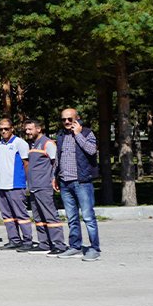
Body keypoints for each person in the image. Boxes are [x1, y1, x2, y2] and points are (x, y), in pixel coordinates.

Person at [55, 108, 101, 261]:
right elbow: (58, 157)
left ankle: (94, 248)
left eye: (70, 119)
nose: (67, 122)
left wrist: (78, 134)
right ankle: (75, 246)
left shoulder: (87, 133)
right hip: (64, 182)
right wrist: (54, 176)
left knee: (88, 217)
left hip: (82, 182)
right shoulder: (61, 135)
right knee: (72, 218)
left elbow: (92, 150)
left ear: (77, 118)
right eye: (64, 120)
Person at [24, 119, 66, 255]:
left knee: (50, 216)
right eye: (26, 129)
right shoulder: (32, 144)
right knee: (39, 218)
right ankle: (44, 243)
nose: (27, 132)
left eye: (30, 129)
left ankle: (58, 244)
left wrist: (55, 179)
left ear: (38, 129)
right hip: (33, 187)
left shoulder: (48, 143)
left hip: (44, 186)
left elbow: (56, 163)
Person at [0, 118, 32, 251]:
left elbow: (26, 163)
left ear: (12, 129)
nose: (3, 131)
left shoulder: (20, 143)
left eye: (6, 128)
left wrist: (27, 182)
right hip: (2, 185)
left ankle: (28, 240)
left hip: (16, 184)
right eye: (1, 129)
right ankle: (14, 239)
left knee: (20, 214)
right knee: (7, 216)